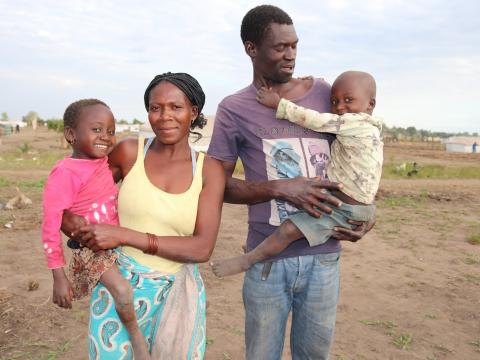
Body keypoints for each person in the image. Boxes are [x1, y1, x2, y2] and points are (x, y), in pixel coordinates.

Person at [207, 5, 375, 360]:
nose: (291, 55)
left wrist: (367, 213)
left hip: (323, 256)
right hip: (267, 262)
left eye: (294, 46)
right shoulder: (234, 108)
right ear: (251, 48)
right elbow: (216, 185)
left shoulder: (329, 96)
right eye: (280, 47)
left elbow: (361, 155)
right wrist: (280, 188)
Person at [63, 73, 225, 359]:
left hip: (176, 293)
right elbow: (72, 203)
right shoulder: (128, 153)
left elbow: (202, 248)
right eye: (155, 108)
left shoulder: (208, 170)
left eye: (176, 107)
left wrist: (124, 235)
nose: (164, 116)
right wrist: (78, 228)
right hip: (118, 287)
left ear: (194, 112)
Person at [212, 70, 383, 277]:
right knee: (291, 231)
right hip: (355, 208)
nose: (339, 107)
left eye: (348, 100)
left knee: (287, 231)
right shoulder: (373, 132)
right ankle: (258, 253)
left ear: (370, 105)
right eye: (334, 101)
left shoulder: (353, 122)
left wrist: (279, 104)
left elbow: (316, 120)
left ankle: (249, 259)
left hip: (343, 208)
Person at [41, 99, 151, 359]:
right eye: (97, 130)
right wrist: (58, 276)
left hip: (114, 242)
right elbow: (50, 224)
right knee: (123, 291)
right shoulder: (65, 173)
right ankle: (138, 342)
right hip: (92, 248)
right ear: (71, 134)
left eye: (111, 131)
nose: (106, 137)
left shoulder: (102, 162)